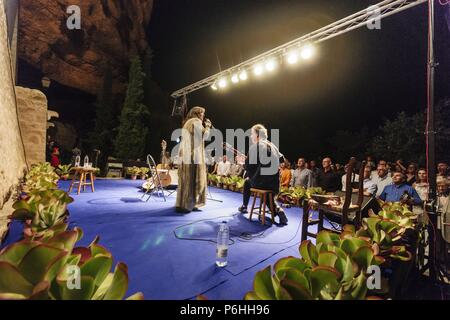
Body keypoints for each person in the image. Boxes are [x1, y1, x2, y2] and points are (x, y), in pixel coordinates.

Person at [237, 124, 288, 225]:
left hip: (261, 183)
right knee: (267, 195)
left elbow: (248, 168)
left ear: (257, 135)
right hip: (274, 184)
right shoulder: (273, 146)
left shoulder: (255, 147)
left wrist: (242, 163)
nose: (251, 137)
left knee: (247, 182)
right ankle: (278, 210)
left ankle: (244, 206)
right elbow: (282, 160)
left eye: (252, 134)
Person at [175, 107, 212, 213]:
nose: (203, 116)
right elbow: (204, 136)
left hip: (185, 154)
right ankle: (188, 205)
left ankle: (182, 204)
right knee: (193, 180)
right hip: (192, 155)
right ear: (197, 114)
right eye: (202, 113)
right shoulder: (196, 121)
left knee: (185, 180)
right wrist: (208, 126)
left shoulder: (187, 123)